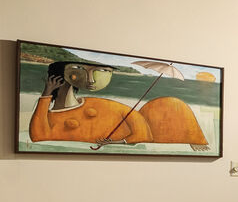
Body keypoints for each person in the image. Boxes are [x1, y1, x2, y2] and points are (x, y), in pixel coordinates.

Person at [29, 61, 209, 150]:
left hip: (146, 127)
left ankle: (193, 138)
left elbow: (142, 132)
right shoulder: (50, 116)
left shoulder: (94, 103)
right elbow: (37, 135)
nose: (91, 79)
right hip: (139, 130)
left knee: (171, 105)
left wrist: (117, 141)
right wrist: (46, 94)